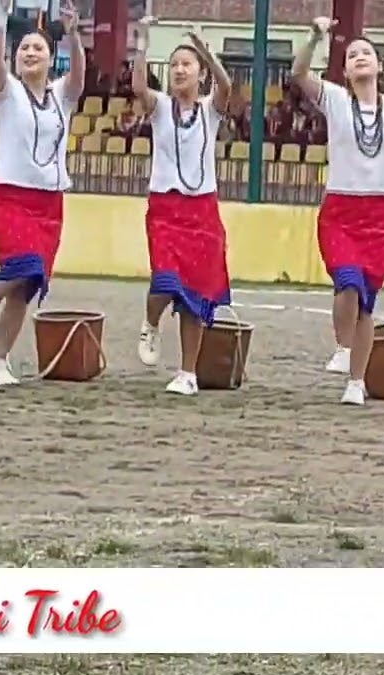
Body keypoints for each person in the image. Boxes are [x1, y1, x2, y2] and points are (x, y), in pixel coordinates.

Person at [290, 20, 384, 405]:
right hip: (341, 208)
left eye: (366, 54)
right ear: (344, 70)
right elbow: (299, 74)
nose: (360, 59)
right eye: (353, 55)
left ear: (379, 67)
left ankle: (356, 382)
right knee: (347, 282)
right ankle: (343, 347)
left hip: (380, 213)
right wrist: (315, 37)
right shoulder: (336, 99)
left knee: (366, 299)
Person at [0, 0, 84, 386]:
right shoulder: (7, 92)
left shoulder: (61, 97)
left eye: (38, 48)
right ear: (16, 58)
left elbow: (81, 77)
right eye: (24, 49)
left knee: (27, 285)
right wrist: (0, 17)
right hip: (8, 196)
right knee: (26, 264)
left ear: (51, 58)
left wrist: (72, 34)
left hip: (49, 202)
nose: (31, 52)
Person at [132, 17, 233, 396]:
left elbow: (227, 86)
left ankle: (187, 372)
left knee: (194, 295)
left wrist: (205, 48)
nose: (179, 70)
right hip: (166, 207)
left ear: (200, 74)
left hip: (202, 210)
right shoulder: (159, 108)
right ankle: (151, 321)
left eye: (186, 65)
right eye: (174, 65)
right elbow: (139, 86)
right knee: (166, 279)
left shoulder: (210, 109)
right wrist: (142, 41)